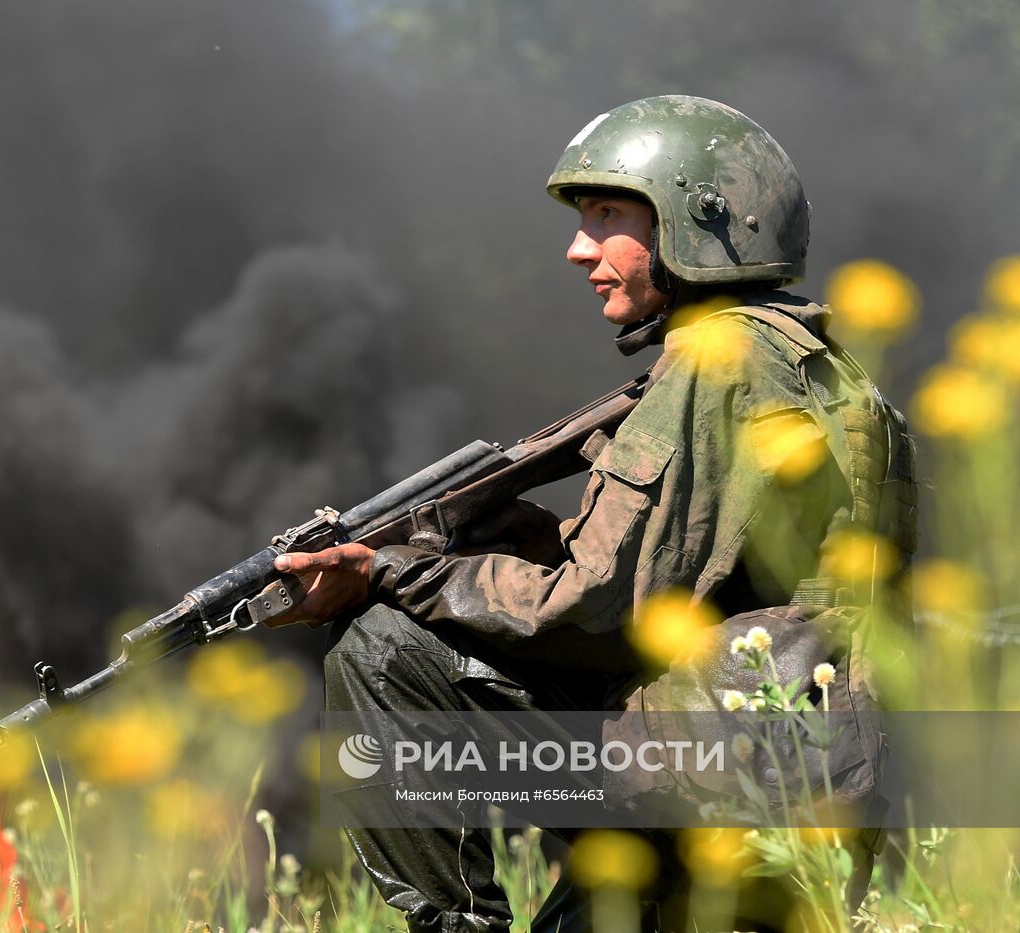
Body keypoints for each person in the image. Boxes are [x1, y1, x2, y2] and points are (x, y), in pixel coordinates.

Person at [268, 95, 917, 932]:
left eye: (608, 215)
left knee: (382, 645)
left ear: (700, 219)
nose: (579, 248)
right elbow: (713, 579)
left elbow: (595, 607)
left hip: (715, 783)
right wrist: (535, 540)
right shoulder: (819, 366)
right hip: (807, 788)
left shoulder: (717, 364)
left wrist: (388, 570)